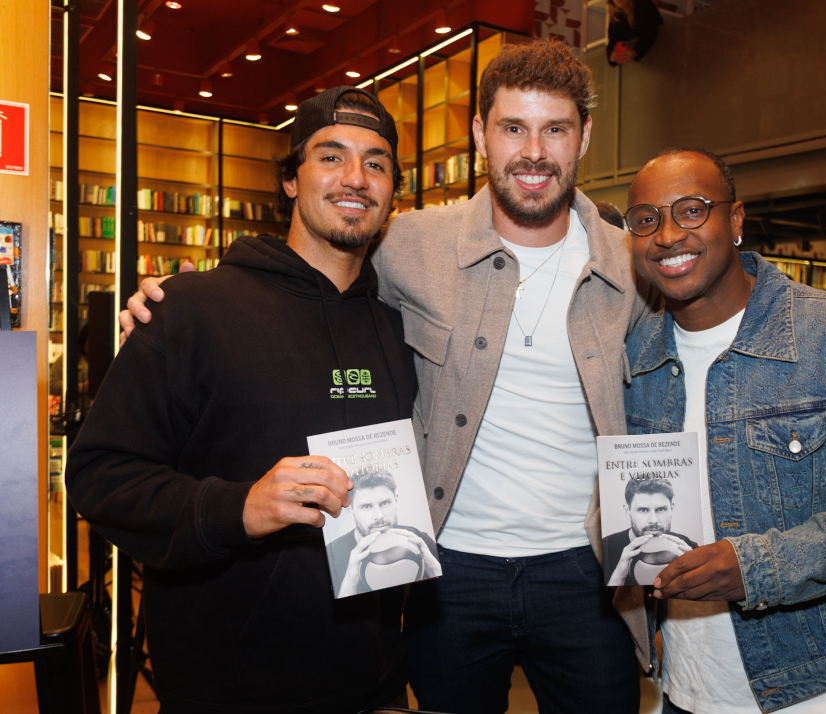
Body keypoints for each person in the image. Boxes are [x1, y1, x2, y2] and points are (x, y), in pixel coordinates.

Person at [121, 40, 654, 714]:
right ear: (479, 135)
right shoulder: (408, 243)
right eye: (513, 127)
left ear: (583, 138)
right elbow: (306, 267)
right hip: (446, 567)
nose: (534, 151)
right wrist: (175, 302)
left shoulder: (632, 264)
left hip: (584, 570)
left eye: (556, 129)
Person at [66, 87, 418, 714]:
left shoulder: (401, 331)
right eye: (331, 157)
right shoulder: (190, 311)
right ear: (290, 178)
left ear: (393, 188)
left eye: (376, 162)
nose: (355, 178)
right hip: (224, 689)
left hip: (376, 685)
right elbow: (100, 477)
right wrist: (240, 507)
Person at [622, 148, 826, 714]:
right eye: (646, 219)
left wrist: (762, 566)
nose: (667, 235)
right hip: (684, 687)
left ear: (735, 221)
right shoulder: (636, 358)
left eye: (691, 210)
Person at [326, 469, 440, 597]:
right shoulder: (333, 553)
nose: (379, 516)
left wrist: (434, 569)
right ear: (351, 511)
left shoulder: (419, 540)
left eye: (385, 503)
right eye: (367, 507)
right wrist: (350, 583)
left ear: (396, 500)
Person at [603, 478, 698, 586]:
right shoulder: (605, 548)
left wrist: (695, 571)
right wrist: (619, 575)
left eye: (661, 509)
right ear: (627, 511)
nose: (653, 520)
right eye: (643, 510)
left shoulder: (687, 546)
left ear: (671, 509)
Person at [606, 0, 664, 66]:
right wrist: (612, 55)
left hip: (659, 56)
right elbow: (612, 41)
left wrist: (636, 51)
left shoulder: (644, 4)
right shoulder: (616, 17)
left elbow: (651, 31)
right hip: (648, 63)